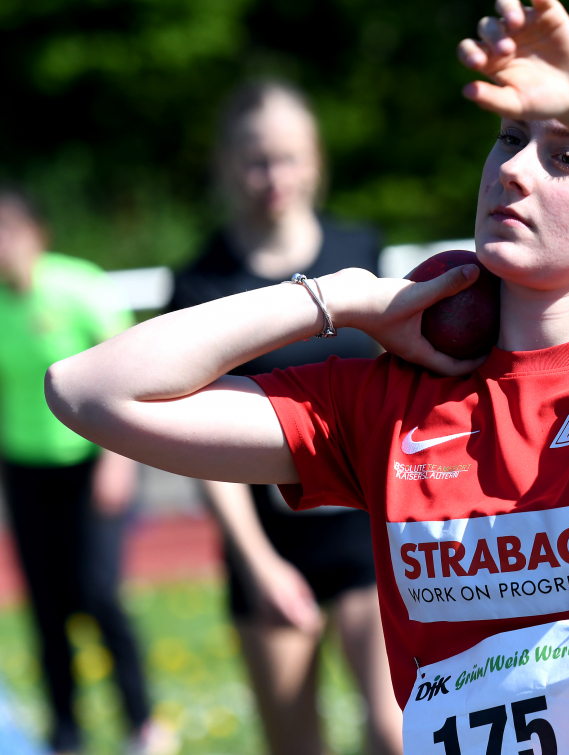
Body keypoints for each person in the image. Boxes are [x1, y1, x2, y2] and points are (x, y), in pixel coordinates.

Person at [44, 0, 569, 751]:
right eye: (510, 139)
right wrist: (338, 298)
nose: (514, 171)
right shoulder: (390, 400)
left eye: (568, 155)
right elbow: (89, 391)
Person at [168, 80, 403, 755]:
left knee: (396, 728)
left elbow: (396, 385)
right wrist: (260, 563)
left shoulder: (361, 248)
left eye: (288, 157)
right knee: (295, 745)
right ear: (226, 165)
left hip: (366, 532)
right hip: (269, 541)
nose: (273, 176)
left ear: (315, 160)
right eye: (255, 159)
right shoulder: (199, 282)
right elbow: (199, 444)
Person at [0, 189, 175, 755]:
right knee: (47, 608)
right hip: (27, 470)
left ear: (35, 232)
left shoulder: (78, 287)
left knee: (99, 594)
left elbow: (126, 372)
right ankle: (65, 734)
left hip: (93, 466)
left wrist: (117, 462)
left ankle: (142, 724)